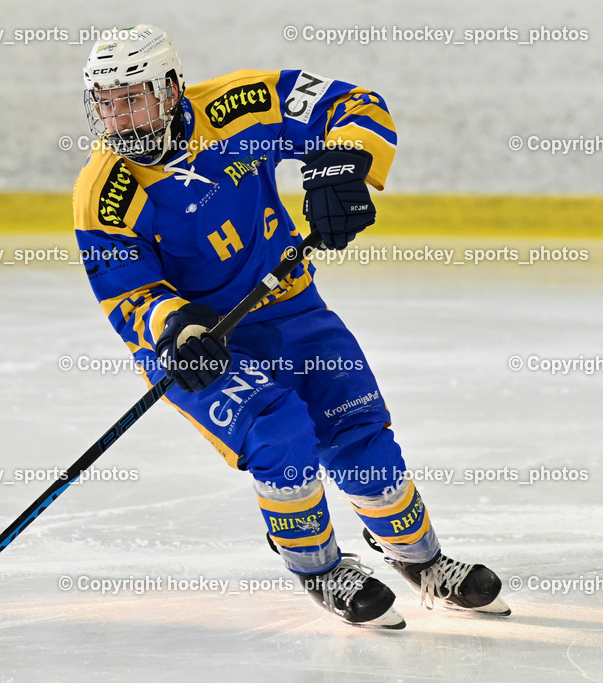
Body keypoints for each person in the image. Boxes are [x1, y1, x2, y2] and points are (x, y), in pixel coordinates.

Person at [72, 25, 509, 628]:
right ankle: (319, 567)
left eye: (133, 97)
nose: (119, 117)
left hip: (291, 310)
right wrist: (175, 327)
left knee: (360, 437)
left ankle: (422, 560)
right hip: (200, 345)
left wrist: (342, 168)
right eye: (106, 102)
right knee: (280, 436)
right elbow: (129, 293)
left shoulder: (236, 107)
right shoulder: (105, 193)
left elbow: (352, 105)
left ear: (171, 90)